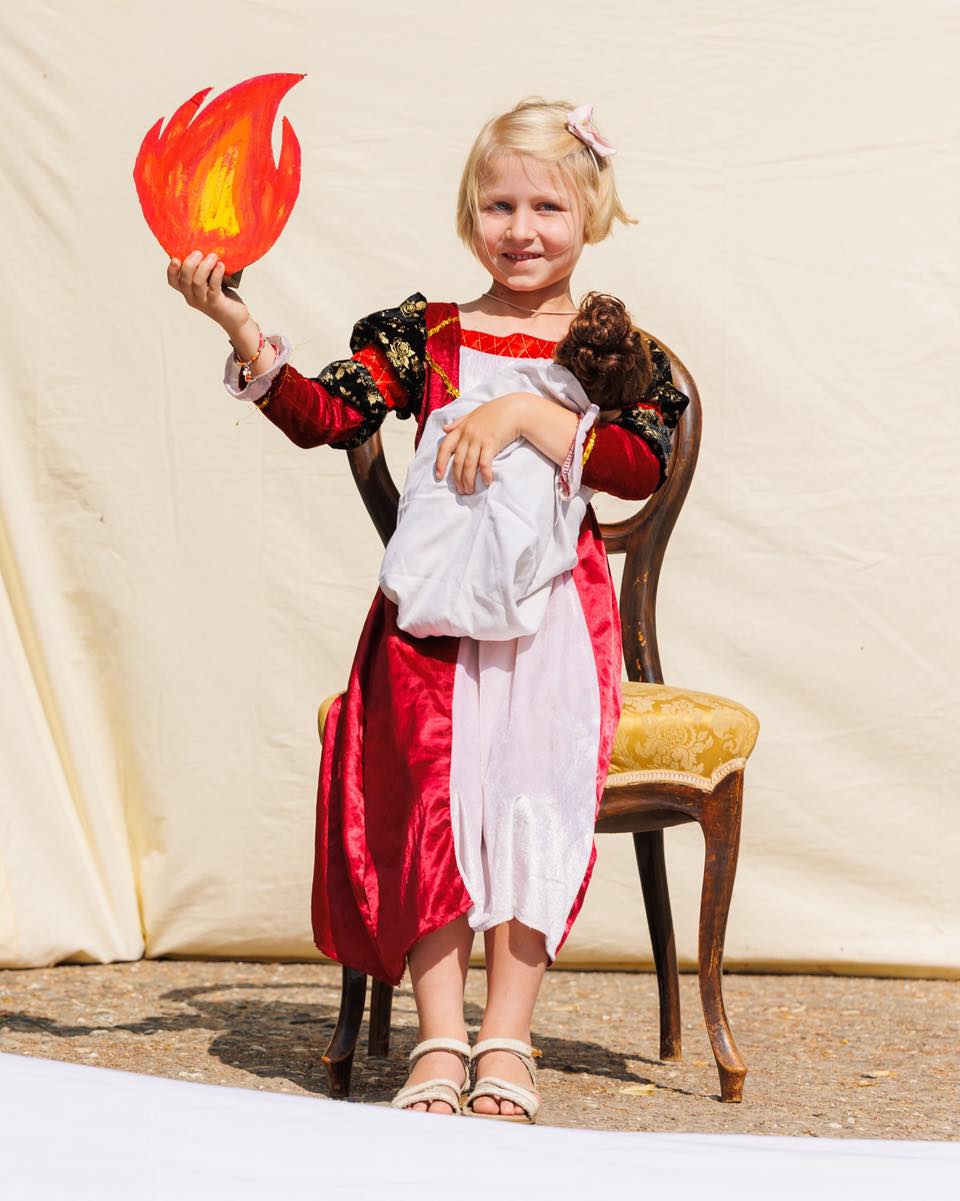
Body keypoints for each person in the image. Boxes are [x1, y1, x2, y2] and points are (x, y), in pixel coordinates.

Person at [166, 97, 688, 1122]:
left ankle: (507, 1036)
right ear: (468, 215)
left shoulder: (610, 347)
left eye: (546, 205)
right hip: (431, 627)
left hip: (549, 629)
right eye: (498, 205)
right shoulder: (428, 334)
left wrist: (529, 411)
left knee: (531, 802)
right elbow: (324, 416)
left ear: (591, 212)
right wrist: (236, 322)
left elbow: (633, 463)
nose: (522, 228)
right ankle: (439, 1036)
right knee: (434, 812)